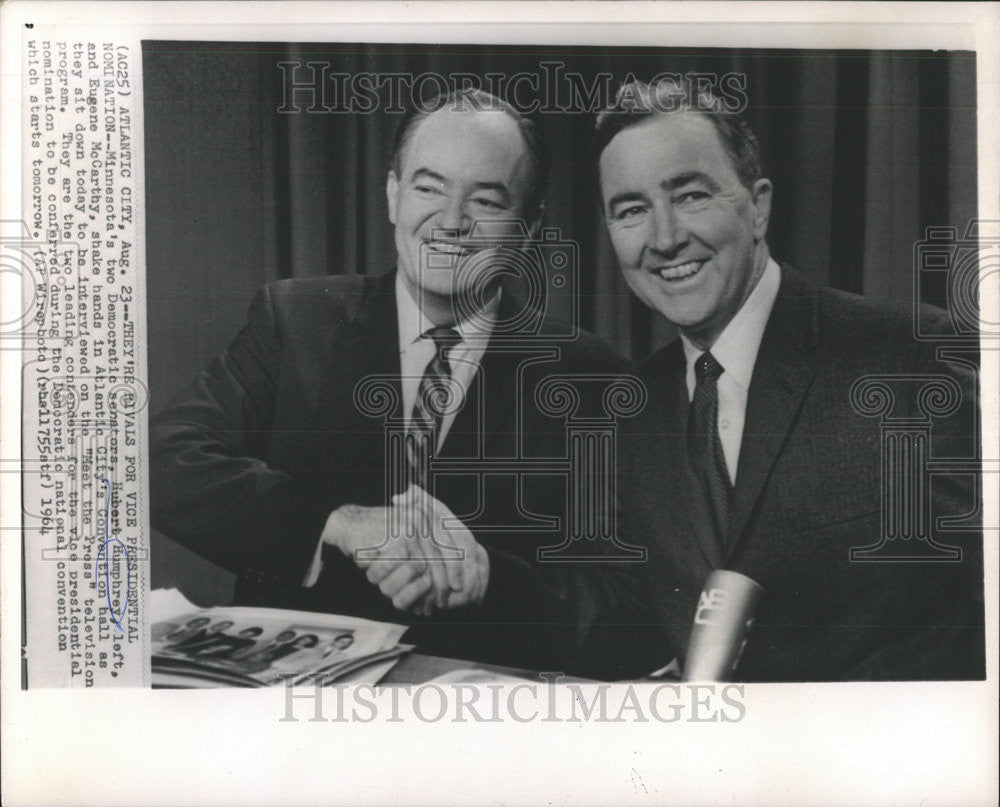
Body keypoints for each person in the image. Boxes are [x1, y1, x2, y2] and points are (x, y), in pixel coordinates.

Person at [150, 88, 643, 678]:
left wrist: (486, 575)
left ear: (528, 226)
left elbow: (624, 610)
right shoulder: (296, 320)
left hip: (473, 724)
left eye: (485, 200)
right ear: (392, 194)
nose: (451, 222)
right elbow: (161, 460)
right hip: (293, 719)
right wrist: (337, 522)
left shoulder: (589, 376)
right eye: (428, 187)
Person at [594, 79, 984, 681]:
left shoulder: (908, 359)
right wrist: (482, 575)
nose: (665, 238)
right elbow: (630, 618)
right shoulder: (634, 406)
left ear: (759, 207)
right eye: (631, 210)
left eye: (691, 196)